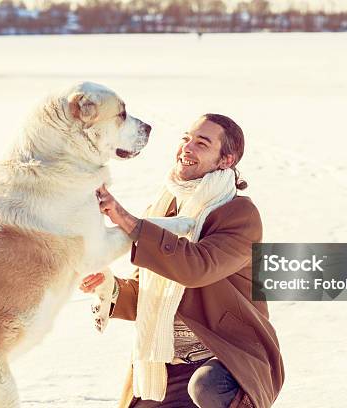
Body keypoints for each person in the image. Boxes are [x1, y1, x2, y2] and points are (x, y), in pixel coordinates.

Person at [80, 114, 284, 408]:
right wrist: (107, 286)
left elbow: (197, 267)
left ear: (226, 160)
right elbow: (145, 294)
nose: (187, 148)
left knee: (207, 388)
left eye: (202, 143)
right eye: (186, 139)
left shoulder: (238, 214)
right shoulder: (166, 208)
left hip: (226, 362)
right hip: (168, 363)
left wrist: (130, 222)